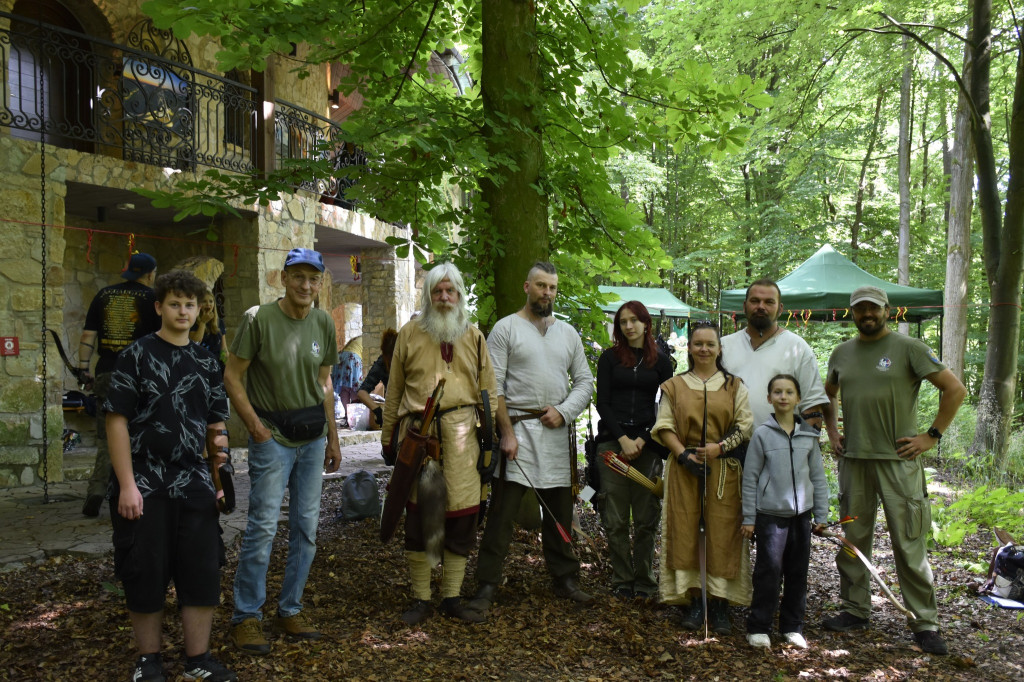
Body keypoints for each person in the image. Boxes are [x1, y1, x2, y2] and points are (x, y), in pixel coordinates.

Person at [105, 269, 236, 682]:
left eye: (190, 304)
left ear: (199, 310)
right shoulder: (136, 355)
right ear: (159, 307)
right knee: (144, 570)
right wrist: (127, 484)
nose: (183, 310)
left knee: (202, 570)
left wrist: (220, 481)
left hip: (194, 480)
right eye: (175, 303)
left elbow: (216, 426)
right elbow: (116, 421)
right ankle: (149, 662)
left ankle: (198, 660)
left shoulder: (206, 361)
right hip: (143, 481)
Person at [823, 286, 965, 655]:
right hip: (854, 463)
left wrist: (930, 436)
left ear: (889, 310)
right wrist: (833, 431)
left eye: (874, 308)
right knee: (853, 540)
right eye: (860, 309)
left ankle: (924, 622)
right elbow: (829, 392)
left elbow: (955, 389)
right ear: (851, 313)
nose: (867, 314)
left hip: (899, 463)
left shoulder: (910, 349)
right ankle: (855, 609)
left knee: (909, 541)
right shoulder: (841, 353)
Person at [225, 248, 341, 655]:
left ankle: (290, 608)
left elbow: (325, 381)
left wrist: (334, 436)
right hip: (271, 435)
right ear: (284, 278)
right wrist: (255, 428)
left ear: (320, 282)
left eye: (313, 279)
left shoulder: (324, 322)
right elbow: (232, 376)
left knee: (307, 528)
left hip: (311, 437)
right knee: (262, 528)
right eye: (299, 277)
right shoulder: (258, 320)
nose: (306, 286)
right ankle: (246, 617)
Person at [470, 261, 595, 611]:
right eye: (541, 286)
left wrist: (565, 411)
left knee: (559, 511)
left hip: (555, 435)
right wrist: (506, 433)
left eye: (552, 287)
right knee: (502, 514)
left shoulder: (568, 334)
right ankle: (487, 585)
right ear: (527, 287)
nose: (547, 293)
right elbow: (492, 386)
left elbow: (584, 381)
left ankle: (565, 577)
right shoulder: (505, 328)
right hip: (518, 435)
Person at [380, 263, 497, 625]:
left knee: (461, 518)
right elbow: (394, 390)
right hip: (421, 436)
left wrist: (492, 443)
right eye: (437, 291)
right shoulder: (409, 334)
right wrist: (388, 439)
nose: (444, 298)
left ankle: (451, 597)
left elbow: (489, 393)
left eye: (450, 291)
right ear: (428, 296)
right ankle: (421, 599)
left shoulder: (475, 337)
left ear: (460, 295)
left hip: (464, 438)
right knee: (420, 518)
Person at [651, 321, 753, 634]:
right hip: (685, 470)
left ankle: (720, 604)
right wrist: (683, 454)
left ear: (719, 348)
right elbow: (664, 425)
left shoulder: (734, 385)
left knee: (723, 533)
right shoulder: (674, 385)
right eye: (698, 344)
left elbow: (744, 424)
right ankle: (695, 600)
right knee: (686, 531)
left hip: (723, 472)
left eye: (710, 344)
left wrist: (720, 447)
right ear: (690, 348)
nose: (704, 349)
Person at [741, 374, 828, 650]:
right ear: (769, 398)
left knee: (797, 572)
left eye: (789, 392)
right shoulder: (762, 434)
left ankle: (792, 627)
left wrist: (821, 516)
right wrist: (749, 518)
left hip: (801, 516)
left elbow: (818, 477)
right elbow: (750, 477)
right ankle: (759, 627)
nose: (783, 397)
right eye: (777, 392)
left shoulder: (809, 436)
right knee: (768, 571)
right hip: (770, 516)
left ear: (798, 399)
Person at [594, 301, 673, 600]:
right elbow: (603, 403)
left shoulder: (662, 362)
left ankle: (644, 579)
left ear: (646, 323)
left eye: (634, 321)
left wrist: (641, 438)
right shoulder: (609, 359)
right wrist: (623, 438)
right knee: (614, 517)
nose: (628, 326)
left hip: (649, 445)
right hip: (613, 443)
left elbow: (666, 406)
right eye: (623, 321)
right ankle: (621, 578)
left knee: (646, 517)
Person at [78, 252, 160, 518]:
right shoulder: (152, 299)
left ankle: (97, 491)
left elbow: (89, 335)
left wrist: (82, 368)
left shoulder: (103, 295)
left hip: (107, 372)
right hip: (141, 374)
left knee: (107, 436)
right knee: (139, 434)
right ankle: (138, 491)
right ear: (150, 274)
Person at [721, 278, 829, 431]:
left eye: (769, 302)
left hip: (781, 447)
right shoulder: (723, 346)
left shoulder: (797, 347)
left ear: (780, 308)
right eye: (755, 301)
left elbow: (812, 406)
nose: (761, 306)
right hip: (727, 447)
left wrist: (804, 449)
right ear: (745, 306)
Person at [356, 328, 398, 430]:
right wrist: (377, 410)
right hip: (393, 413)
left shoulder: (410, 358)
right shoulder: (383, 362)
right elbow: (362, 392)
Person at [189, 288, 227, 369]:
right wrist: (203, 322)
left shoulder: (219, 322)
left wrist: (227, 363)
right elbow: (195, 341)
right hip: (200, 365)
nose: (208, 304)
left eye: (211, 301)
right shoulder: (193, 321)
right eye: (204, 301)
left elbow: (224, 348)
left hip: (217, 365)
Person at [332, 338, 363, 428]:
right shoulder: (370, 340)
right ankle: (354, 418)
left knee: (344, 389)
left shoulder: (357, 338)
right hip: (352, 358)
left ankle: (347, 416)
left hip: (340, 357)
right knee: (354, 388)